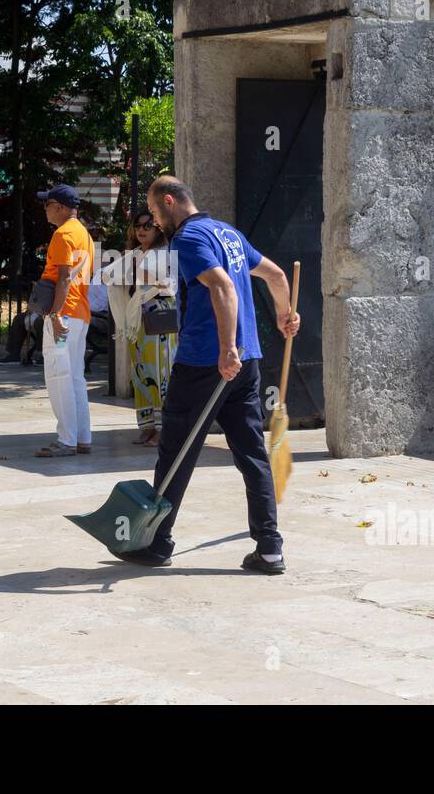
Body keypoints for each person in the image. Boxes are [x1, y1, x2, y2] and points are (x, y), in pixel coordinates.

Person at [115, 175, 299, 574]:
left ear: (169, 200)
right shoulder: (229, 234)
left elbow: (223, 289)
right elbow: (278, 276)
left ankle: (157, 543)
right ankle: (270, 548)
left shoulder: (189, 238)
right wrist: (285, 315)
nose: (154, 222)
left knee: (176, 451)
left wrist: (225, 348)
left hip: (206, 362)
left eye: (155, 212)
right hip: (246, 363)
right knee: (251, 453)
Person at [33, 183, 94, 458]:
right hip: (80, 313)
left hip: (63, 313)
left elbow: (64, 278)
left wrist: (56, 315)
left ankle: (66, 440)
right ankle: (82, 437)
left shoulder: (62, 235)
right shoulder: (84, 235)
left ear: (59, 207)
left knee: (58, 376)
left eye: (48, 204)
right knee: (76, 378)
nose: (45, 209)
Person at [119, 208, 177, 447]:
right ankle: (148, 426)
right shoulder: (132, 254)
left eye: (147, 225)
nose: (141, 229)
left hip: (159, 317)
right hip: (137, 320)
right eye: (138, 225)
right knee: (140, 372)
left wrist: (145, 276)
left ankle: (165, 429)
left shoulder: (166, 252)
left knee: (161, 373)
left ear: (157, 229)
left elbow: (171, 286)